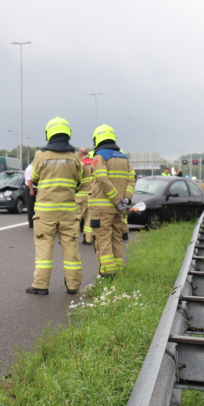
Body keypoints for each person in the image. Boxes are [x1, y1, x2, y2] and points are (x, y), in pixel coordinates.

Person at [26, 117, 83, 296]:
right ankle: (73, 285)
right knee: (71, 247)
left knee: (44, 247)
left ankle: (41, 285)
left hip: (45, 212)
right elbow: (79, 180)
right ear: (67, 134)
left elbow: (34, 177)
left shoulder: (41, 155)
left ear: (49, 134)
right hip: (68, 211)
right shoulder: (74, 157)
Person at [89, 124, 136, 277]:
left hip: (103, 210)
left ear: (97, 138)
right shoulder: (124, 158)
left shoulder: (99, 156)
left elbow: (102, 178)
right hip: (120, 210)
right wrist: (126, 200)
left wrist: (116, 199)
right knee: (117, 240)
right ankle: (118, 273)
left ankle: (108, 276)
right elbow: (131, 181)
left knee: (103, 240)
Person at [76, 147, 94, 245]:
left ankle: (71, 238)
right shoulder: (93, 162)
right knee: (89, 219)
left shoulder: (81, 164)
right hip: (92, 195)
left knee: (77, 217)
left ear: (80, 154)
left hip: (81, 195)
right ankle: (88, 239)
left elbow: (77, 178)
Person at [24, 159, 35, 228]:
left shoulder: (35, 167)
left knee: (36, 207)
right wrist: (31, 190)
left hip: (36, 189)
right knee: (31, 206)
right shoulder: (30, 168)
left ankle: (35, 221)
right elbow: (29, 180)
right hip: (30, 188)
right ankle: (31, 223)